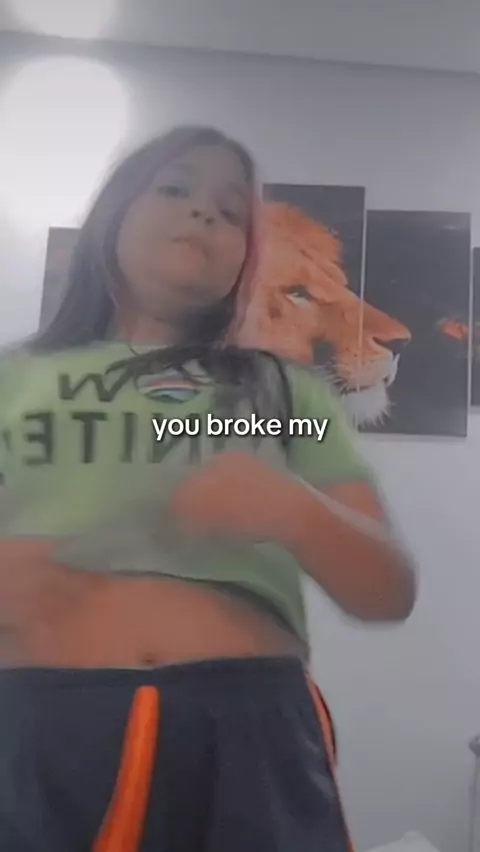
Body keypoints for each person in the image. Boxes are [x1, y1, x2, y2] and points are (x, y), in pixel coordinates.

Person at [0, 125, 416, 852]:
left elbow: (388, 591)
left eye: (231, 213)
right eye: (175, 188)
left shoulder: (285, 396)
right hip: (41, 734)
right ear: (112, 213)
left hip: (252, 734)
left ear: (244, 262)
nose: (203, 213)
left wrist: (294, 510)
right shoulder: (14, 381)